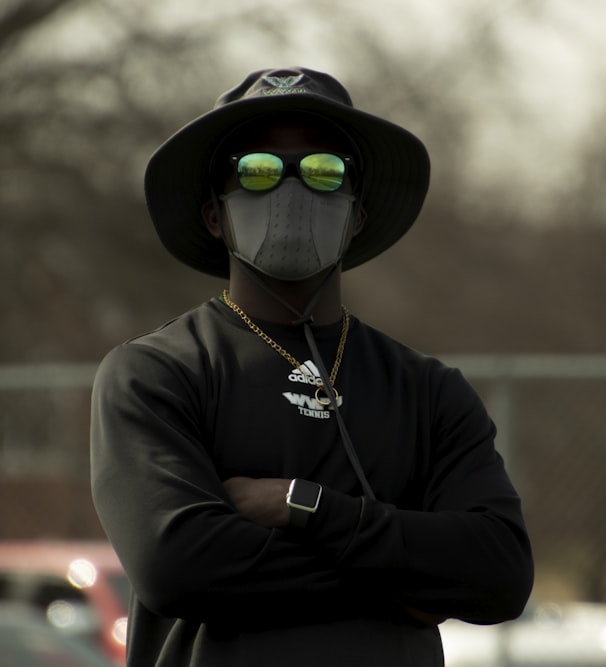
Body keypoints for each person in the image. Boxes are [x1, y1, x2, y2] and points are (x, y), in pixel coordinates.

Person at [90, 66, 533, 667]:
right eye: (258, 169)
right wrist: (410, 574)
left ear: (357, 215)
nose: (291, 188)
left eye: (325, 171)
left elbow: (500, 571)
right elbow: (180, 567)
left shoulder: (428, 391)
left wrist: (310, 506)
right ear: (214, 214)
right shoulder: (155, 375)